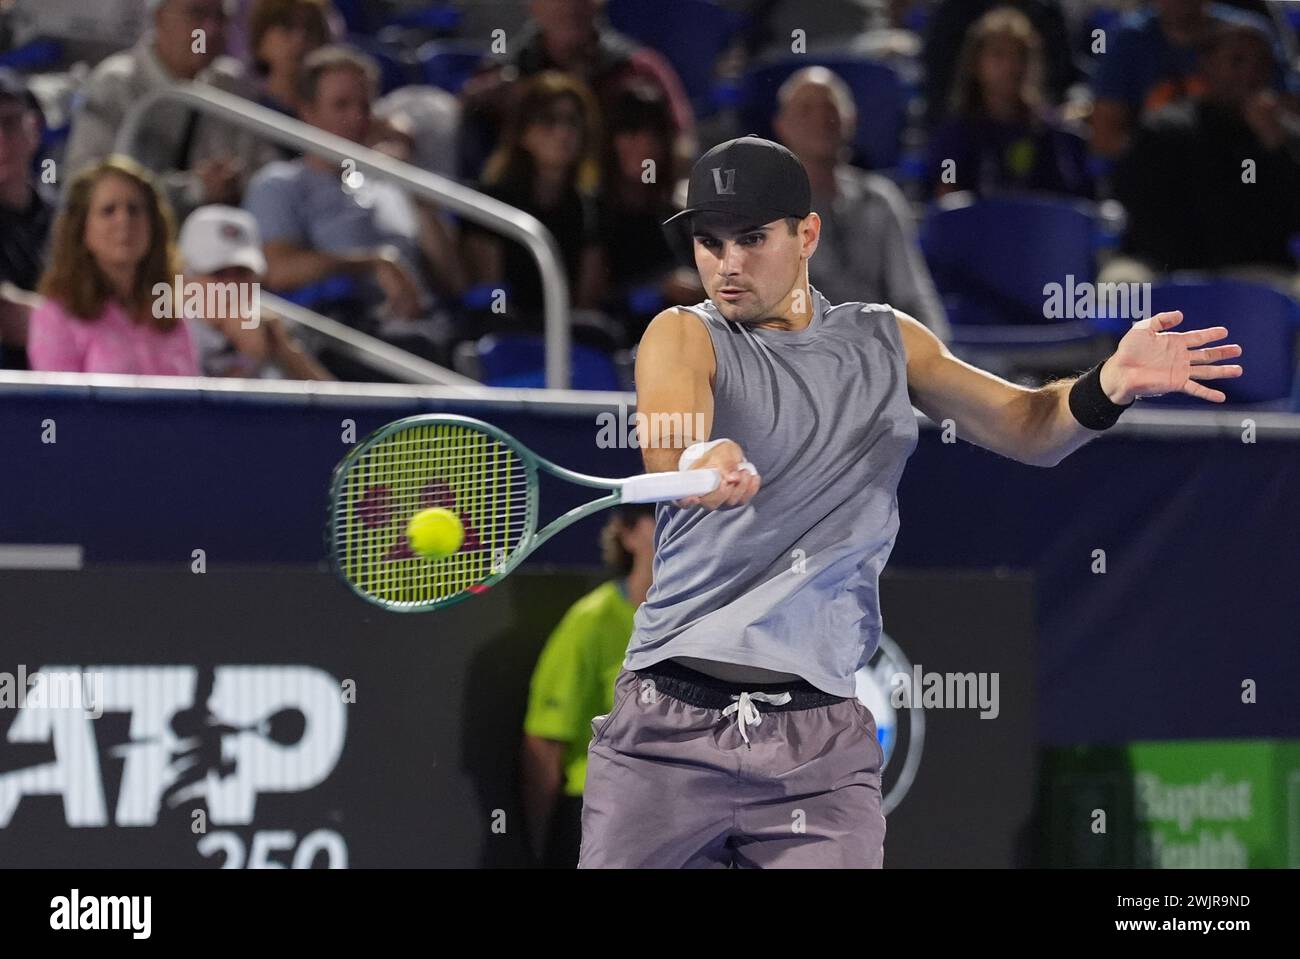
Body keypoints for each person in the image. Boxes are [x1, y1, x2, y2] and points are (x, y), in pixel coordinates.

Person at [578, 135, 1243, 869]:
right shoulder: (681, 333)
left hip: (819, 746)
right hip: (669, 732)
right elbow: (670, 441)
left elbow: (1028, 427)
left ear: (807, 233)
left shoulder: (890, 341)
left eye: (751, 238)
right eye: (709, 242)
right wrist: (702, 461)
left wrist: (1106, 386)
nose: (727, 264)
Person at [242, 45, 465, 364]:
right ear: (308, 111)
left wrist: (417, 195)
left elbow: (453, 281)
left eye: (365, 105)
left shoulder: (391, 183)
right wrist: (371, 262)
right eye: (341, 105)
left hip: (433, 331)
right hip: (352, 342)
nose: (357, 117)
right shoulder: (279, 183)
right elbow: (277, 271)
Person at [521, 503, 655, 869]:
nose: (678, 528)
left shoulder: (707, 624)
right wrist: (545, 846)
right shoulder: (590, 621)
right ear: (628, 535)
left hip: (686, 812)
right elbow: (544, 744)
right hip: (599, 814)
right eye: (661, 515)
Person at [1110, 21, 1300, 277]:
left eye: (1262, 64)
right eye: (1237, 61)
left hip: (1257, 273)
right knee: (1121, 282)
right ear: (1206, 67)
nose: (1250, 74)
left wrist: (1274, 150)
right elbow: (1152, 220)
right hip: (1168, 270)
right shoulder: (1166, 128)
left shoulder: (1282, 134)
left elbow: (1288, 220)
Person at [773, 66, 949, 339]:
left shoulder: (881, 199)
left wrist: (937, 359)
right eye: (806, 109)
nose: (820, 119)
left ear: (850, 119)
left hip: (879, 356)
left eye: (830, 109)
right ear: (781, 126)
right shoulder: (768, 209)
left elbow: (913, 295)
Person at [62, 0, 279, 220]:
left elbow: (263, 171)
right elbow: (87, 187)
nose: (210, 30)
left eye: (221, 18)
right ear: (159, 17)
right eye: (197, 13)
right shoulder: (116, 85)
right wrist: (193, 189)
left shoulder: (232, 85)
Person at [460, 71, 606, 338]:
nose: (563, 132)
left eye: (573, 122)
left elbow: (586, 300)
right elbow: (491, 291)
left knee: (599, 333)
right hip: (506, 324)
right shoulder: (493, 199)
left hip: (564, 326)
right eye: (548, 121)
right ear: (522, 132)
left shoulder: (586, 207)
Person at [29, 157, 198, 376]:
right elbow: (58, 406)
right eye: (108, 210)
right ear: (82, 228)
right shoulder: (56, 314)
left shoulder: (169, 309)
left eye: (135, 209)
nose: (124, 220)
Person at [926, 7, 1093, 200]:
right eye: (998, 55)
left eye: (1019, 56)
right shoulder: (955, 136)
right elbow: (946, 199)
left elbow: (1064, 202)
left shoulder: (1046, 132)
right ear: (975, 63)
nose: (1011, 66)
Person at [1089, 0, 1277, 158]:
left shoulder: (1249, 38)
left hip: (1243, 165)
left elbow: (1286, 111)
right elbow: (1105, 138)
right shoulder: (1129, 40)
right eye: (1236, 62)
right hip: (1160, 176)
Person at [596, 83, 702, 342]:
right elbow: (589, 304)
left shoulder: (676, 216)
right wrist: (656, 291)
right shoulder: (593, 212)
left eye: (654, 135)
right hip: (619, 345)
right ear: (611, 142)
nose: (645, 146)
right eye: (632, 132)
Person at [178, 204, 333, 379]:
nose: (232, 285)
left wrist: (285, 352)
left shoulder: (271, 323)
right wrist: (250, 358)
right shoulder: (166, 330)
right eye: (218, 273)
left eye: (242, 272)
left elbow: (337, 403)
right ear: (186, 277)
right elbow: (184, 404)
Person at [0, 68, 53, 370]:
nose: (1, 139)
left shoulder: (68, 217)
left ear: (33, 127)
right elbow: (9, 317)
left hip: (75, 381)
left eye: (10, 123)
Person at [247, 0, 335, 118]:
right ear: (261, 37)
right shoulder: (241, 106)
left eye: (310, 27)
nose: (300, 38)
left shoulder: (329, 120)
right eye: (287, 26)